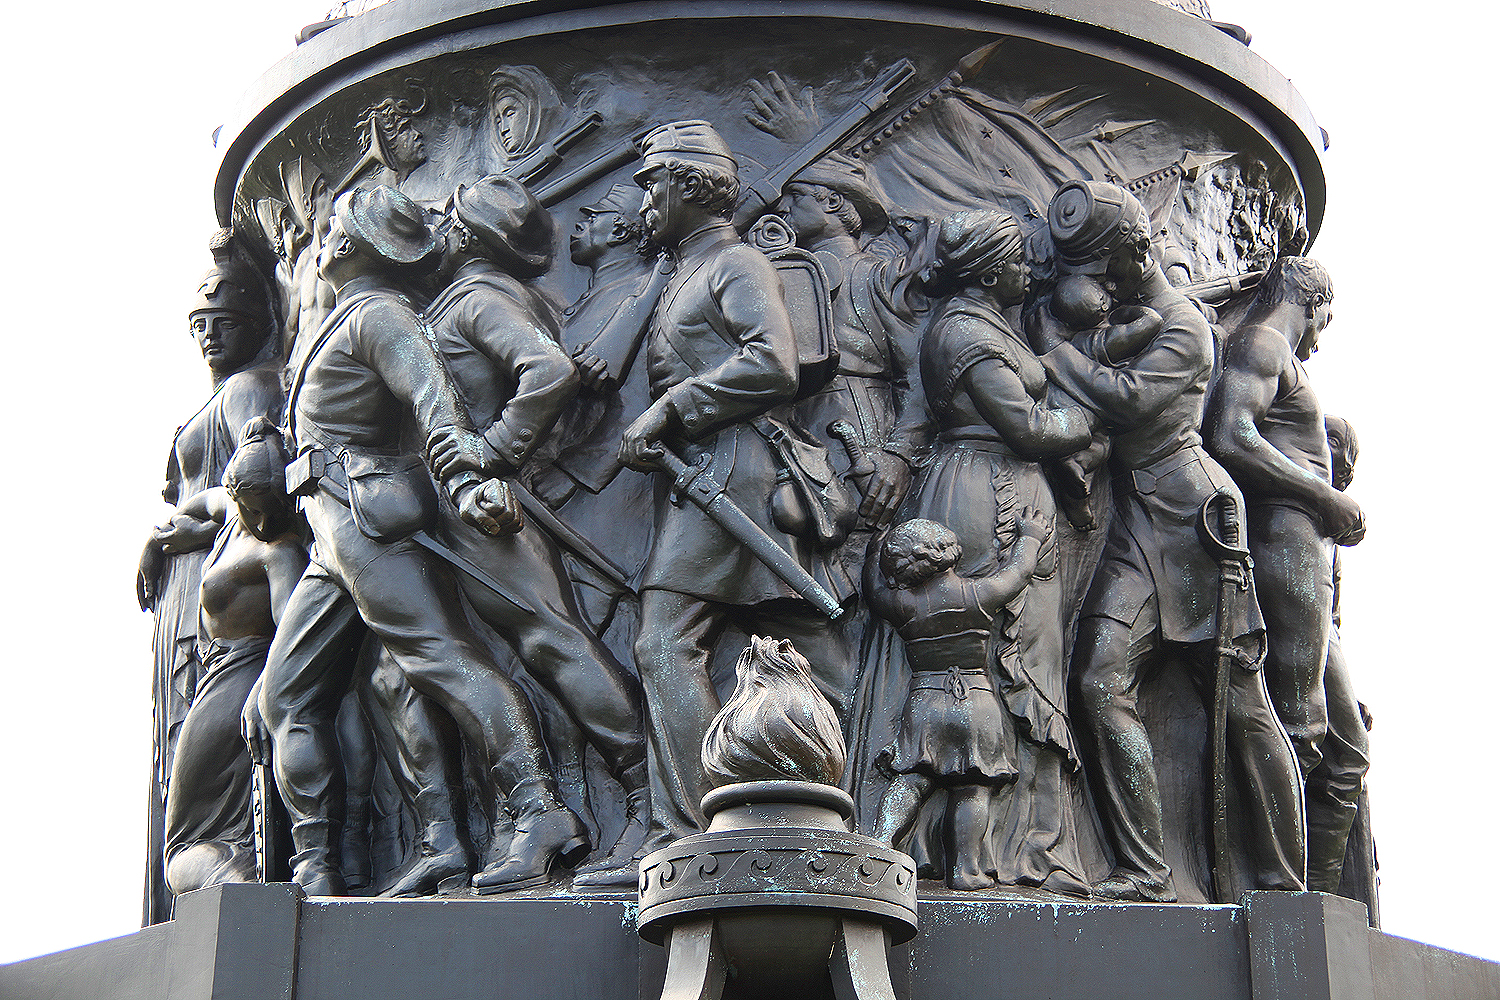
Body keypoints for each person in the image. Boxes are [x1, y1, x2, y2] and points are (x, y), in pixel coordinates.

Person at [256, 184, 586, 896]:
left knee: (440, 657)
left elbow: (434, 399)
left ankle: (539, 809)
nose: (321, 245)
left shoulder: (379, 315)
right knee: (286, 695)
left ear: (346, 245)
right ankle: (330, 862)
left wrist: (468, 477)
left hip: (366, 517)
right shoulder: (345, 318)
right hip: (329, 533)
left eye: (331, 234)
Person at [1026, 180, 1305, 902]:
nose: (1092, 281)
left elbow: (1127, 401)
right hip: (1139, 519)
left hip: (1195, 518)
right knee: (1098, 680)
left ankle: (1283, 882)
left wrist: (1055, 356)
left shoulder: (1182, 324)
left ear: (1129, 253)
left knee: (1239, 701)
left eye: (1100, 265)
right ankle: (1147, 871)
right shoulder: (1133, 314)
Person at [617, 120, 855, 858]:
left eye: (651, 178)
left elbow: (774, 365)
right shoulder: (686, 268)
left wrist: (670, 406)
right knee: (813, 649)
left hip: (733, 471)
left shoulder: (738, 262)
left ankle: (692, 831)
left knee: (664, 640)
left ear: (689, 184)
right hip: (709, 470)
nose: (641, 196)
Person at [422, 175, 649, 888]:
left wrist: (493, 448)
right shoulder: (497, 297)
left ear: (465, 235)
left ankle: (647, 795)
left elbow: (547, 371)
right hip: (462, 510)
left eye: (448, 220)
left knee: (552, 641)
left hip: (485, 509)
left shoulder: (476, 300)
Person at [873, 209, 1096, 894]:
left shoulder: (987, 324)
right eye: (1020, 259)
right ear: (990, 267)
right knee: (1012, 649)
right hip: (986, 492)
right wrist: (1091, 417)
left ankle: (1017, 843)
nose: (1031, 270)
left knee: (1017, 654)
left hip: (991, 481)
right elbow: (1028, 427)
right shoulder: (967, 330)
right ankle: (1011, 852)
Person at [136, 231, 284, 924]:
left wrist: (188, 527)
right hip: (194, 595)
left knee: (197, 775)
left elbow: (258, 487)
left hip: (222, 599)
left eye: (224, 322)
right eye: (199, 324)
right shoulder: (217, 396)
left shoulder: (251, 389)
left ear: (259, 318)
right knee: (180, 765)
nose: (210, 336)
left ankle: (230, 881)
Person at [161, 419, 307, 897]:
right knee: (185, 836)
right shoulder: (230, 516)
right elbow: (202, 502)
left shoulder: (279, 552)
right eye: (252, 509)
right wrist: (160, 539)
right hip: (215, 679)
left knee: (180, 849)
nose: (263, 522)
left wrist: (264, 692)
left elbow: (291, 634)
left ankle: (241, 881)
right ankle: (239, 871)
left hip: (242, 683)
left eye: (272, 509)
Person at [866, 511, 1049, 890]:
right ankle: (965, 870)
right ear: (947, 550)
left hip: (925, 701)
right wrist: (1029, 537)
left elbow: (874, 591)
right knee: (972, 786)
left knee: (913, 778)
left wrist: (872, 551)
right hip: (975, 700)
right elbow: (1018, 573)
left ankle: (879, 846)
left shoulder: (903, 606)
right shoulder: (980, 594)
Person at [530, 183, 672, 634]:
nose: (577, 223)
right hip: (559, 483)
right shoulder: (592, 299)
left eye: (592, 216)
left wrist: (571, 474)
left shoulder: (640, 295)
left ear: (621, 228)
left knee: (578, 625)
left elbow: (639, 399)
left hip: (604, 491)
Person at [773, 152, 928, 529]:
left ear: (831, 201)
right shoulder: (776, 275)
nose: (782, 206)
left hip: (859, 445)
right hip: (788, 439)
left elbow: (923, 370)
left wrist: (900, 455)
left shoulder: (879, 276)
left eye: (795, 195)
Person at [1312, 414, 1373, 894]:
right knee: (1345, 754)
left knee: (1349, 758)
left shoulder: (1327, 531)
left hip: (1318, 641)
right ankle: (1317, 891)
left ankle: (1324, 891)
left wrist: (1348, 692)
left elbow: (1331, 621)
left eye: (1338, 446)